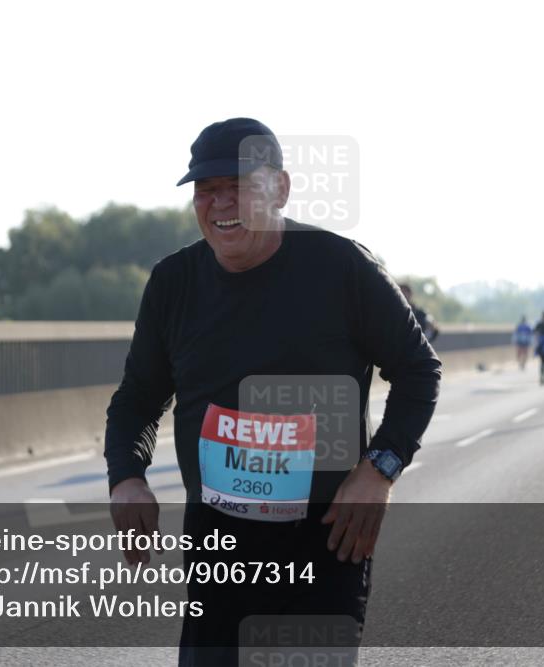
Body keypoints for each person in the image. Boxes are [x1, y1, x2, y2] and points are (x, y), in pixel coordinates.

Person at [103, 118, 441, 665]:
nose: (220, 204)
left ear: (280, 189)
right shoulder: (173, 283)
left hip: (326, 543)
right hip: (219, 548)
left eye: (237, 186)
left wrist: (379, 469)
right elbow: (138, 398)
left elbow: (419, 370)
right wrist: (126, 477)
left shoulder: (341, 267)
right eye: (206, 190)